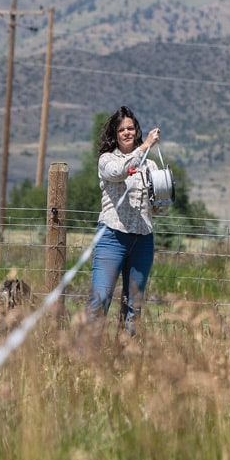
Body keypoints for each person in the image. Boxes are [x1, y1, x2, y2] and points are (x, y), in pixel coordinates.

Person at [87, 105, 162, 338]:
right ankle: (87, 354)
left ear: (136, 130)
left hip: (143, 239)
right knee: (100, 298)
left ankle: (126, 355)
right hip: (112, 237)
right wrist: (145, 146)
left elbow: (158, 208)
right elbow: (121, 171)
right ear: (114, 134)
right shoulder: (106, 160)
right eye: (122, 130)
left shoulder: (151, 165)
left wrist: (162, 197)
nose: (127, 132)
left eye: (131, 128)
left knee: (133, 305)